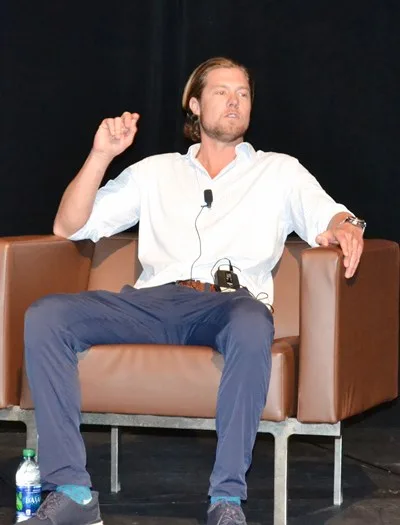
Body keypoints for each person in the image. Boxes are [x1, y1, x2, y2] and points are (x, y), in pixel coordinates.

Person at [23, 57, 365, 525]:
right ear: (195, 105)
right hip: (154, 301)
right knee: (47, 315)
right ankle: (71, 492)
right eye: (222, 91)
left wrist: (348, 225)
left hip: (229, 306)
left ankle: (226, 500)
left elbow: (329, 214)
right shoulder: (155, 171)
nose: (234, 101)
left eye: (243, 93)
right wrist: (101, 155)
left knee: (252, 321)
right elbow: (68, 226)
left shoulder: (279, 171)